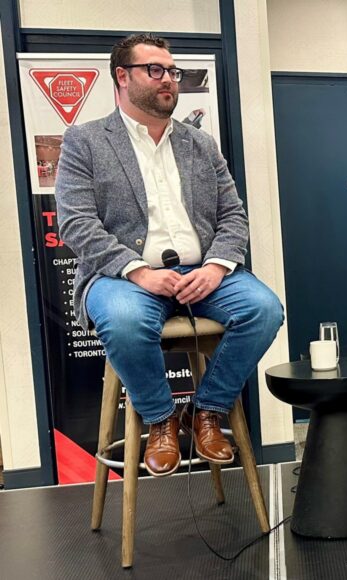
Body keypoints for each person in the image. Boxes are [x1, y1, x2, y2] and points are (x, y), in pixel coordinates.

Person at [55, 33, 284, 477]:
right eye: (154, 70)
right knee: (123, 321)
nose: (168, 80)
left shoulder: (200, 144)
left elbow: (234, 217)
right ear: (122, 76)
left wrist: (217, 266)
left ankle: (207, 411)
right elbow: (76, 224)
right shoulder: (85, 141)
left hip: (203, 271)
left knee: (263, 309)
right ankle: (160, 420)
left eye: (173, 72)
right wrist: (138, 270)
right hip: (122, 277)